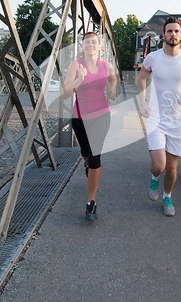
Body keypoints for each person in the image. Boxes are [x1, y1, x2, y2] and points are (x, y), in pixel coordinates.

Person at [137, 16, 181, 216]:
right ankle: (154, 177)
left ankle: (167, 197)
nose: (173, 34)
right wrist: (142, 104)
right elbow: (140, 80)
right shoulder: (153, 58)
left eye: (176, 31)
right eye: (169, 31)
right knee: (159, 165)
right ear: (163, 35)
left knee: (172, 169)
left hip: (177, 120)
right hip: (156, 117)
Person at [62, 32, 117, 220]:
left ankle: (91, 202)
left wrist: (111, 89)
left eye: (94, 42)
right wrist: (79, 79)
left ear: (99, 46)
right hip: (80, 118)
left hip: (102, 115)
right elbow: (64, 94)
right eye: (87, 42)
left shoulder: (106, 66)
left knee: (94, 157)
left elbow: (112, 78)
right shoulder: (76, 66)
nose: (91, 45)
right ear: (82, 46)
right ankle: (88, 165)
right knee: (85, 153)